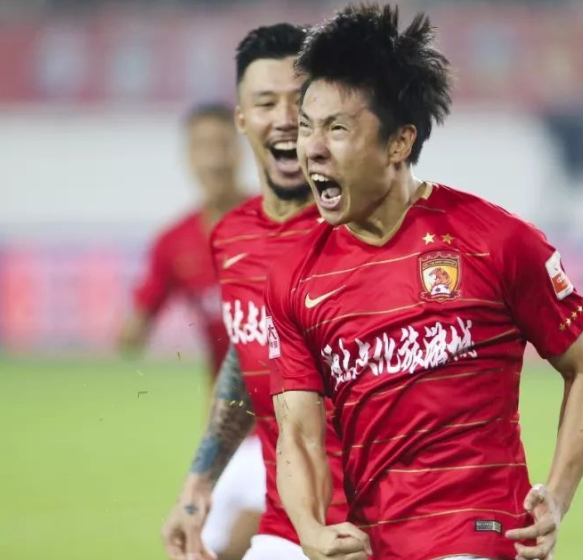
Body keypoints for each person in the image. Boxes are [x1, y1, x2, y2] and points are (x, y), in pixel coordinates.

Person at [266, 5, 583, 560]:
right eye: (307, 127)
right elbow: (301, 435)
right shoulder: (296, 277)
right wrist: (310, 529)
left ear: (398, 143)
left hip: (481, 534)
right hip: (374, 544)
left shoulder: (497, 241)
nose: (311, 148)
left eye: (337, 129)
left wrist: (559, 493)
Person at [161, 24, 349, 560]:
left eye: (301, 102)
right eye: (267, 102)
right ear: (243, 119)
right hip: (286, 524)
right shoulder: (233, 236)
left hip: (371, 524)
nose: (286, 118)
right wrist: (199, 484)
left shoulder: (363, 230)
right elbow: (250, 359)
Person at [117, 104, 258, 560]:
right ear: (188, 157)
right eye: (203, 147)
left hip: (287, 424)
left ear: (240, 151)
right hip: (226, 429)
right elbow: (136, 326)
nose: (214, 159)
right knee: (198, 550)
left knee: (241, 544)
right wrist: (129, 330)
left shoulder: (275, 225)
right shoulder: (175, 242)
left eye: (222, 145)